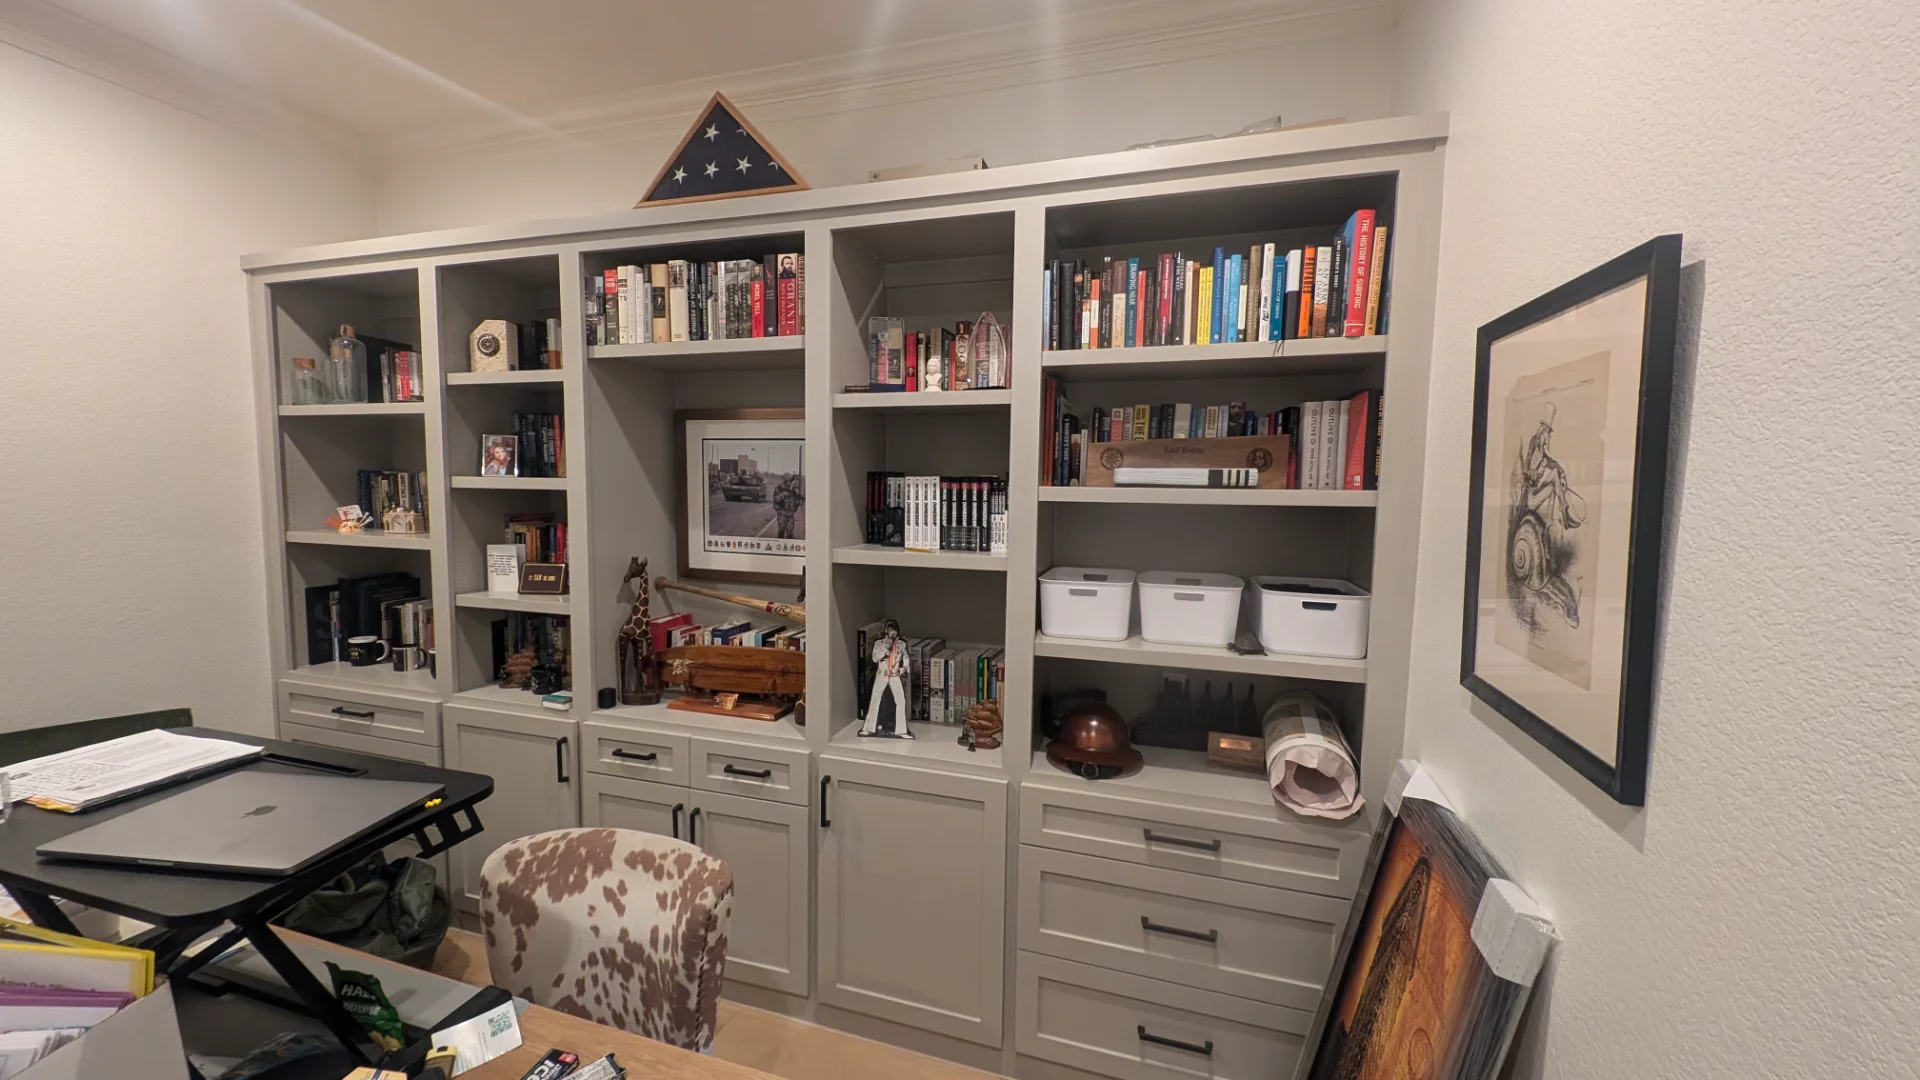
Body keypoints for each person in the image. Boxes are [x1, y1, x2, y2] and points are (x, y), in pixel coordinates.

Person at [859, 620, 913, 739]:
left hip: (894, 674)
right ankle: (868, 728)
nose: (892, 632)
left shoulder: (902, 644)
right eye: (889, 630)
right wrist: (885, 651)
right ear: (886, 631)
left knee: (901, 700)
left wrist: (902, 669)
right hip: (882, 673)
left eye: (894, 630)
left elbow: (906, 658)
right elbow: (874, 658)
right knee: (875, 699)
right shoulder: (879, 643)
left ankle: (901, 730)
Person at [772, 474, 803, 540]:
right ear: (785, 481)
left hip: (790, 514)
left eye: (791, 482)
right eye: (789, 482)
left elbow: (796, 501)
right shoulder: (779, 489)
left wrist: (798, 502)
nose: (791, 483)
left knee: (790, 531)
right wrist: (783, 495)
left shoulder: (793, 491)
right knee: (781, 530)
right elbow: (775, 499)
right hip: (781, 513)